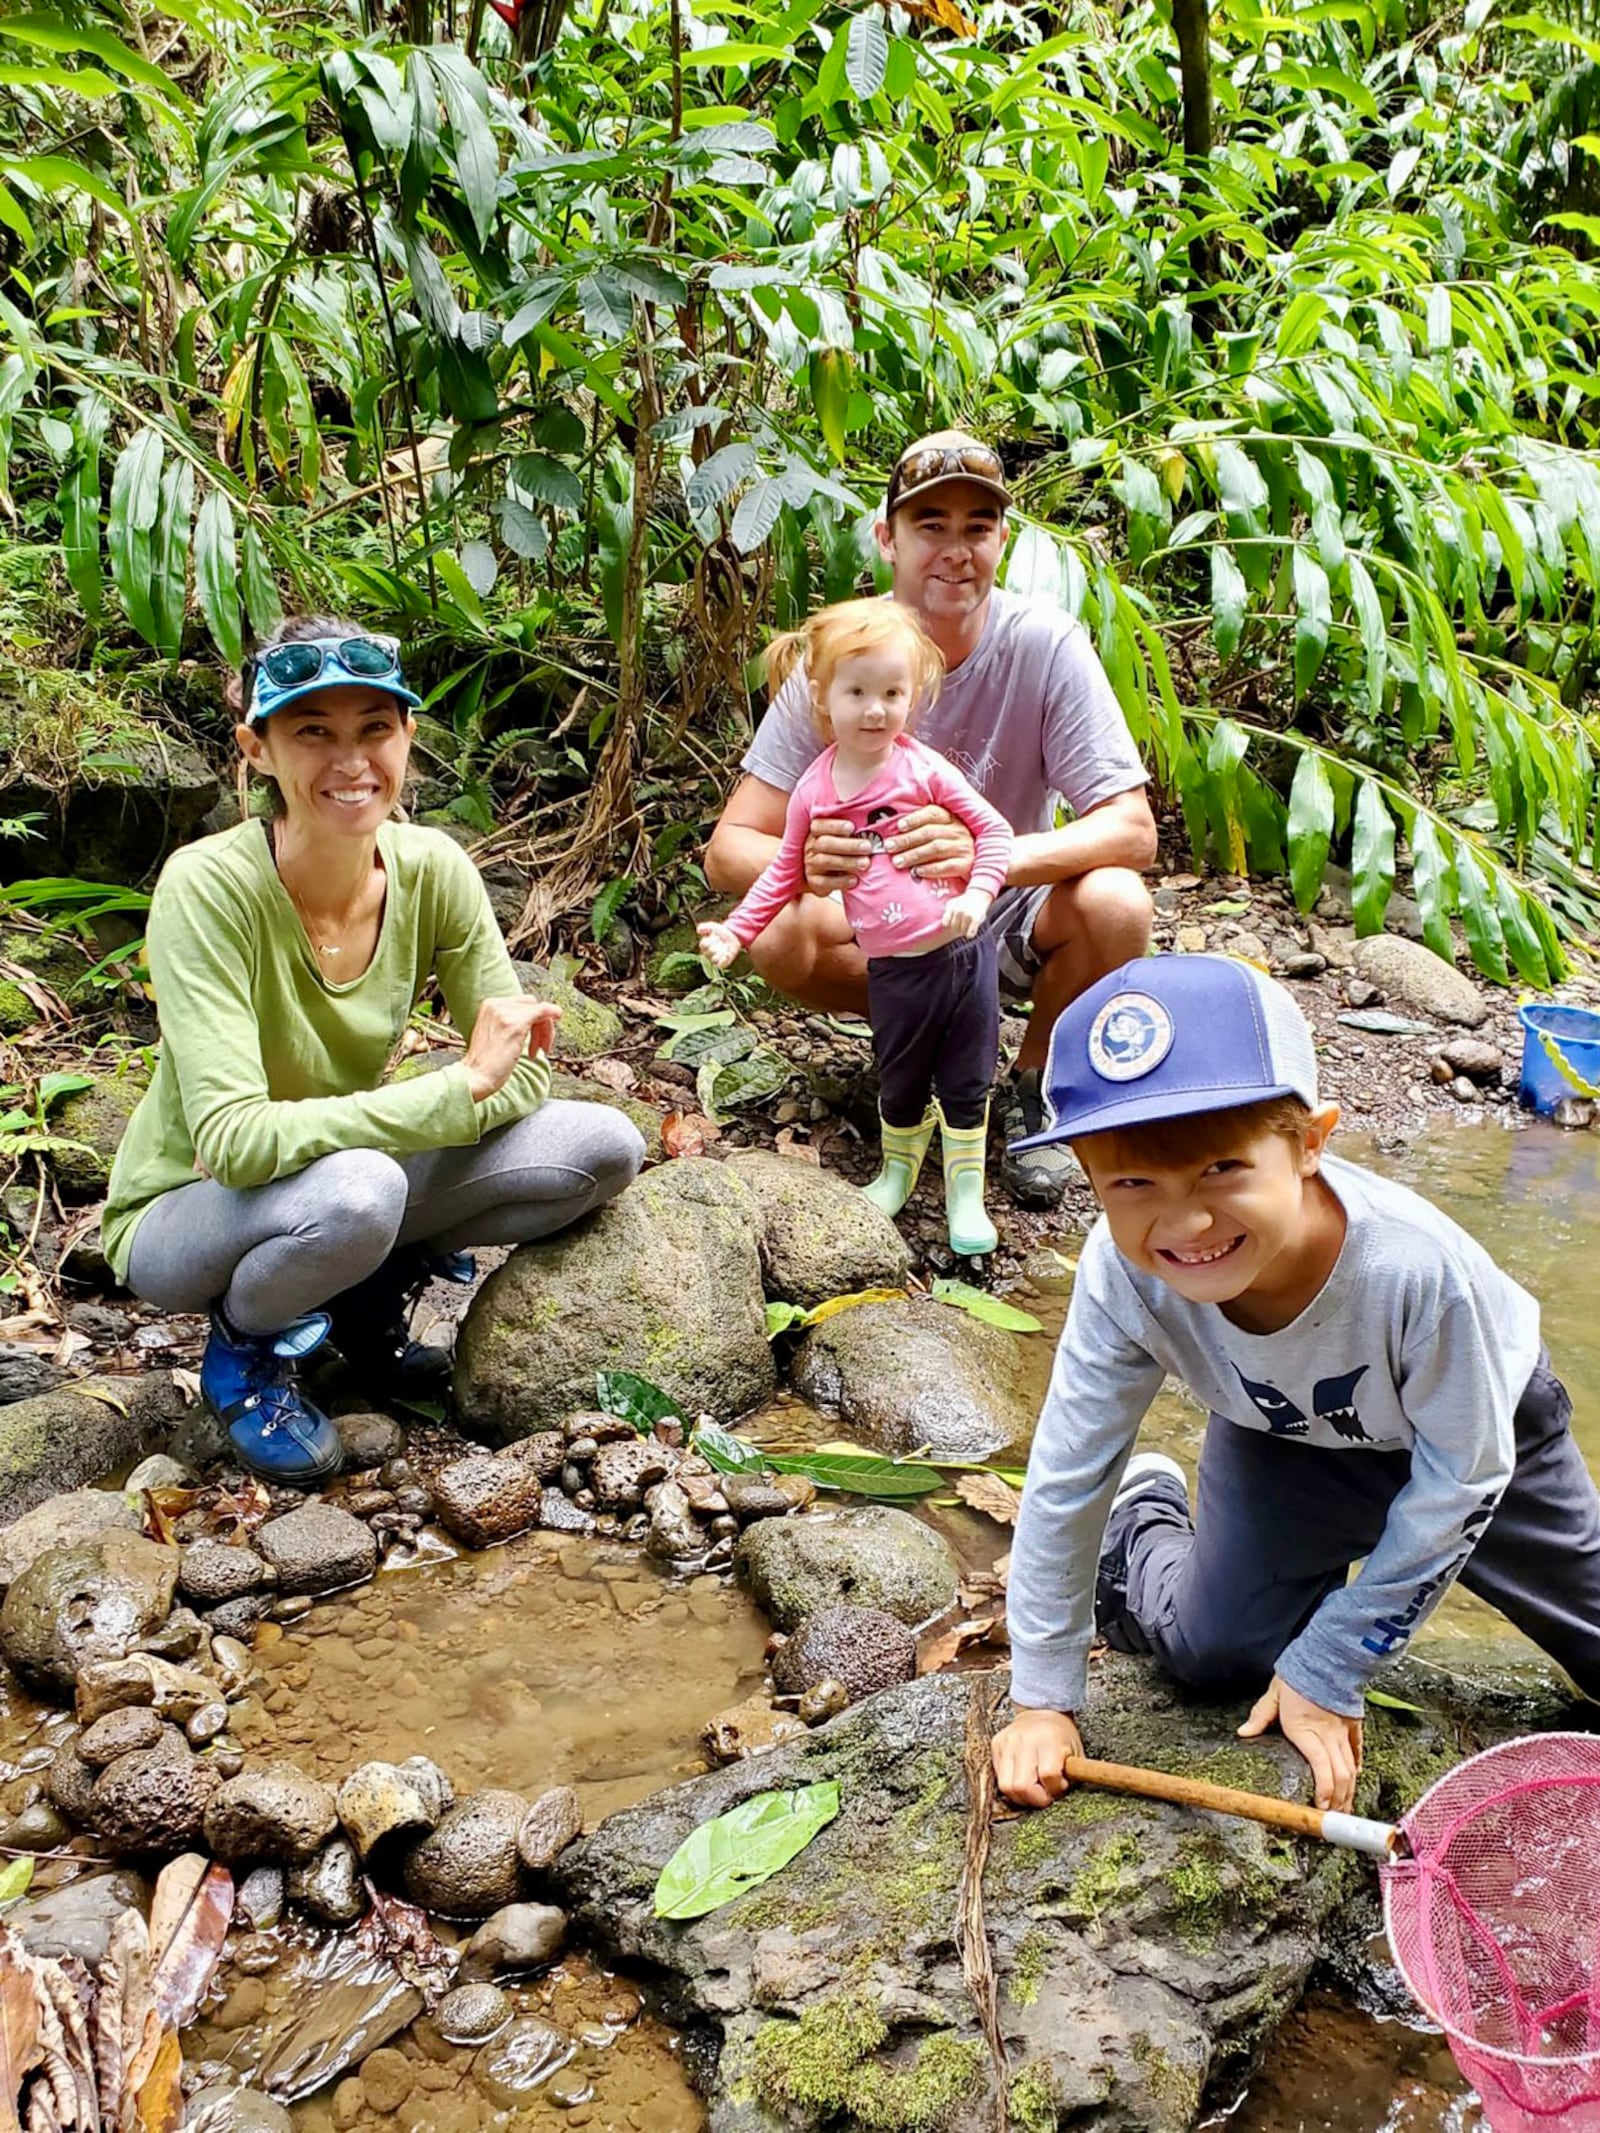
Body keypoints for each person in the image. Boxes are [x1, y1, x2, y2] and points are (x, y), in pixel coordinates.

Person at [991, 953, 1600, 1817]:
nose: (1188, 1222)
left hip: (1483, 1430)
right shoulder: (1120, 1276)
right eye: (1132, 1183)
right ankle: (1147, 1521)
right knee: (1214, 1657)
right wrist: (1042, 1696)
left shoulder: (1414, 1271)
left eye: (1222, 1169)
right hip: (1283, 1435)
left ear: (1311, 1141)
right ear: (1089, 1180)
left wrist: (1333, 1661)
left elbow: (1465, 1473)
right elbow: (1066, 1470)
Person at [104, 618, 646, 1488]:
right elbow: (235, 1144)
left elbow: (529, 1065)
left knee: (603, 1145)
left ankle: (356, 1297)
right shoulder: (208, 887)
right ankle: (246, 1347)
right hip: (188, 1207)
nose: (350, 760)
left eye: (373, 729)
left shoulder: (434, 868)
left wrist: (460, 1091)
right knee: (363, 1192)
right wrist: (459, 1087)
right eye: (312, 731)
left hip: (335, 1170)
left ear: (408, 737)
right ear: (258, 750)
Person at [704, 428, 1157, 1211]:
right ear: (888, 539)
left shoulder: (1044, 645)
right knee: (780, 929)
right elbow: (728, 848)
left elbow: (1131, 831)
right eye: (931, 527)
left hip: (997, 911)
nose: (956, 551)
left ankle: (1032, 1084)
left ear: (1002, 541)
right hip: (880, 922)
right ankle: (922, 1057)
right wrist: (810, 861)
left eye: (977, 529)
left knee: (1117, 903)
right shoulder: (842, 657)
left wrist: (993, 856)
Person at [699, 601, 1013, 1256]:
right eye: (858, 693)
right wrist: (734, 930)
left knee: (966, 1077)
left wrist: (978, 893)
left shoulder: (923, 768)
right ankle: (897, 1169)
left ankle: (965, 1195)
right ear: (822, 697)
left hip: (963, 953)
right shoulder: (815, 789)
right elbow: (784, 870)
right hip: (894, 967)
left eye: (892, 694)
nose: (876, 710)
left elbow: (995, 832)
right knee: (898, 1076)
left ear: (913, 696)